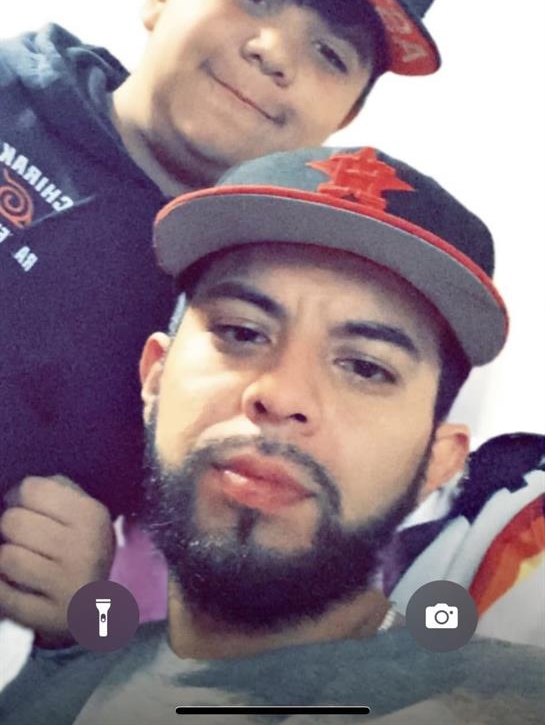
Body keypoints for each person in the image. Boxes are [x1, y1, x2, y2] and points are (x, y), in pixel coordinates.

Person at [0, 0, 449, 643]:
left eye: (329, 52)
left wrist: (83, 600)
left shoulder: (251, 296)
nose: (272, 51)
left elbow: (162, 596)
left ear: (343, 119)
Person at [1, 145, 543, 725]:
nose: (282, 395)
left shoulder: (498, 702)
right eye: (241, 331)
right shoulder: (56, 686)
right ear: (155, 377)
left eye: (365, 366)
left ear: (436, 465)